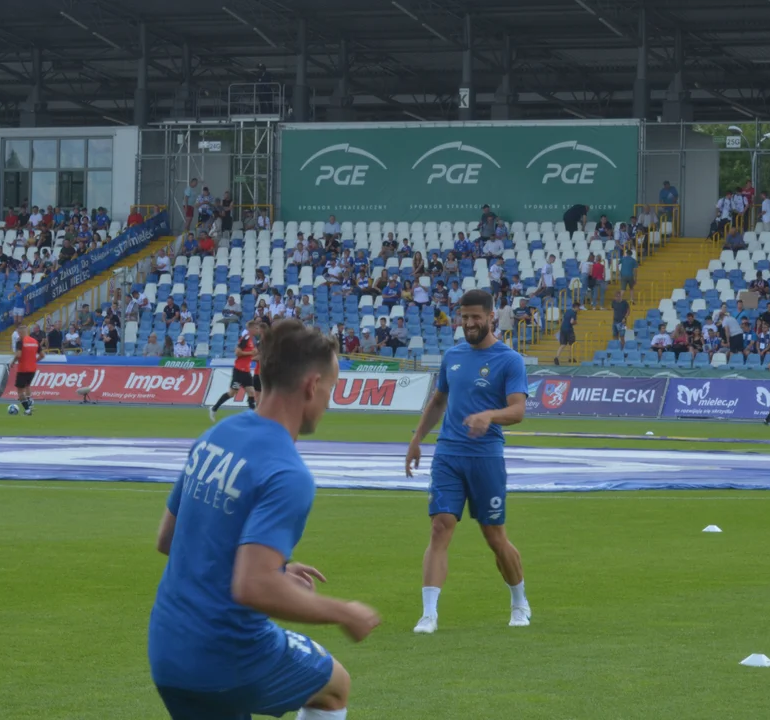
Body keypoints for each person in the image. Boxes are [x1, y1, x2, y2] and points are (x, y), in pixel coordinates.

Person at [148, 319, 380, 720]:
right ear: (311, 386)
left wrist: (279, 569)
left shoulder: (217, 436)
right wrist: (345, 612)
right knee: (334, 684)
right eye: (330, 388)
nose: (329, 400)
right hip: (229, 658)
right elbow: (253, 585)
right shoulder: (288, 473)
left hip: (168, 651)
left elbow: (168, 539)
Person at [404, 289, 530, 634]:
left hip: (485, 457)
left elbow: (518, 410)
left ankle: (519, 601)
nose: (470, 323)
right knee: (439, 526)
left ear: (491, 317)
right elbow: (437, 401)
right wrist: (416, 440)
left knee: (494, 537)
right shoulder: (454, 356)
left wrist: (489, 415)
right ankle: (428, 614)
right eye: (465, 317)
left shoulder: (509, 360)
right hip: (448, 454)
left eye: (476, 317)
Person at [210, 320, 262, 422]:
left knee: (251, 392)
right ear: (250, 329)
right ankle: (214, 408)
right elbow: (237, 352)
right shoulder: (246, 338)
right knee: (232, 393)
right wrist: (251, 352)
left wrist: (253, 354)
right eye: (256, 328)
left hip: (246, 371)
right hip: (239, 371)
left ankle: (254, 417)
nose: (257, 330)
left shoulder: (251, 340)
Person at [11, 324, 45, 416]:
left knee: (20, 391)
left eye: (18, 332)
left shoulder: (20, 341)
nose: (18, 334)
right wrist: (34, 361)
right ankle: (29, 401)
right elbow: (42, 355)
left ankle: (27, 410)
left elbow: (18, 355)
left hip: (22, 369)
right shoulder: (35, 341)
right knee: (27, 385)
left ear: (20, 332)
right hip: (32, 369)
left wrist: (13, 362)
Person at [555, 301, 579, 366]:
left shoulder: (567, 311)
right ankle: (571, 358)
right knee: (571, 344)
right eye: (578, 308)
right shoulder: (574, 313)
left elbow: (563, 320)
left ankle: (557, 357)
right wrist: (576, 322)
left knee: (562, 344)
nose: (578, 309)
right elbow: (571, 322)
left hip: (562, 329)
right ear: (576, 307)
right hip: (569, 330)